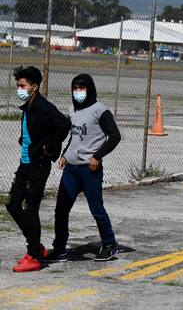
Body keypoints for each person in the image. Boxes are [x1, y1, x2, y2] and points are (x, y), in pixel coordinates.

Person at [42, 74, 122, 263]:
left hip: (89, 169)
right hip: (71, 169)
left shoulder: (100, 110)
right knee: (61, 210)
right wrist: (64, 154)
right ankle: (60, 248)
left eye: (82, 88)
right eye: (75, 88)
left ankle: (110, 245)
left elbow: (115, 136)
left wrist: (97, 156)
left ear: (90, 89)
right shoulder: (73, 110)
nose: (78, 92)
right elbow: (74, 137)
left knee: (96, 209)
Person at [5, 66, 71, 272]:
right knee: (13, 205)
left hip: (38, 165)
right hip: (25, 163)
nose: (19, 89)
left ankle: (33, 255)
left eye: (23, 85)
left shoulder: (43, 107)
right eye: (18, 85)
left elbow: (63, 125)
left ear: (34, 87)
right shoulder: (28, 105)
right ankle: (36, 245)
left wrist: (49, 148)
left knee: (30, 209)